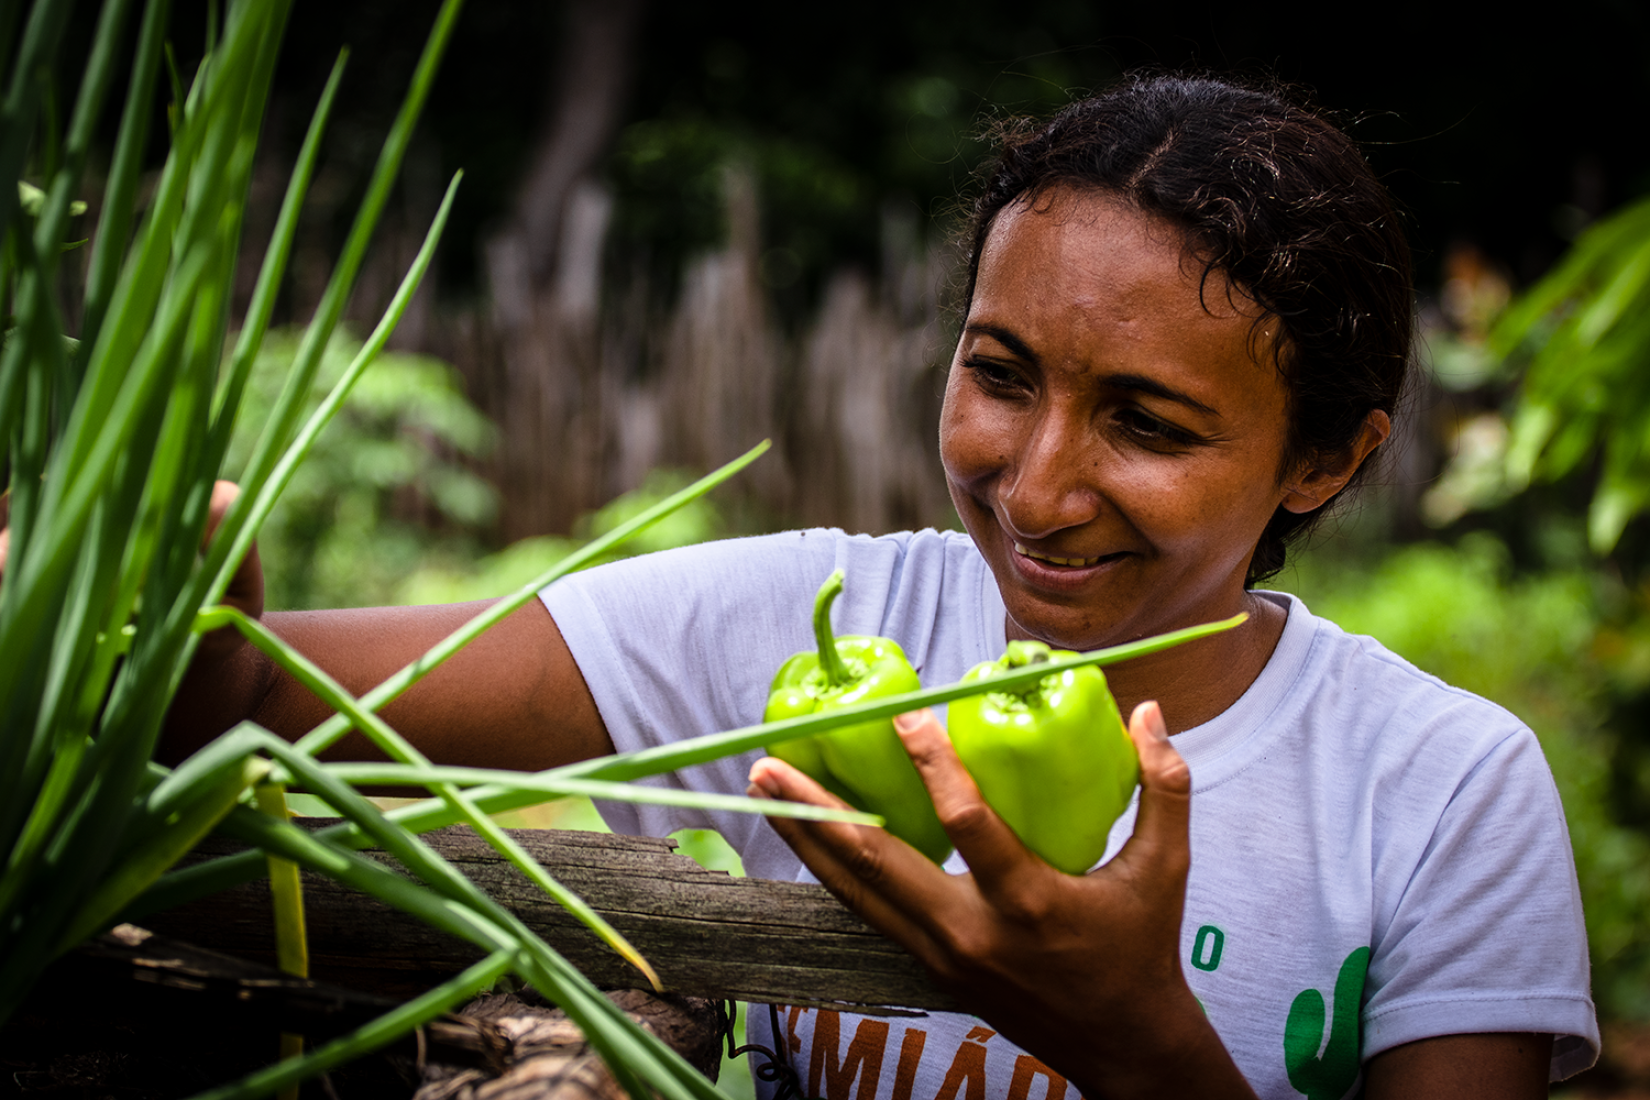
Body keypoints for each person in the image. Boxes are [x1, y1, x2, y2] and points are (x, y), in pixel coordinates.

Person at [165, 74, 1597, 1099]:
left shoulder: (1440, 787)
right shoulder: (806, 629)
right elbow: (257, 708)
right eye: (998, 375)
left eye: (1148, 425)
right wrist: (165, 592)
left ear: (1324, 463)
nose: (1033, 488)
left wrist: (1132, 1039)